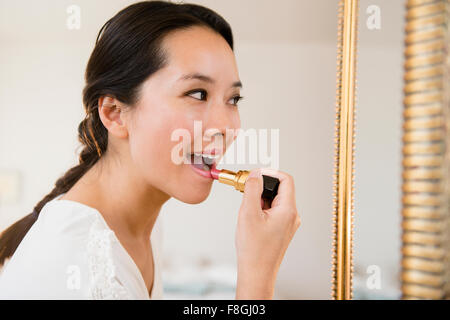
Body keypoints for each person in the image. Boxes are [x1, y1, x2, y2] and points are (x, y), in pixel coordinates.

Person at [0, 0, 300, 299]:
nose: (226, 126)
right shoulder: (70, 264)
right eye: (197, 93)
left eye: (233, 99)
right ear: (115, 113)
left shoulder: (143, 225)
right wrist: (258, 271)